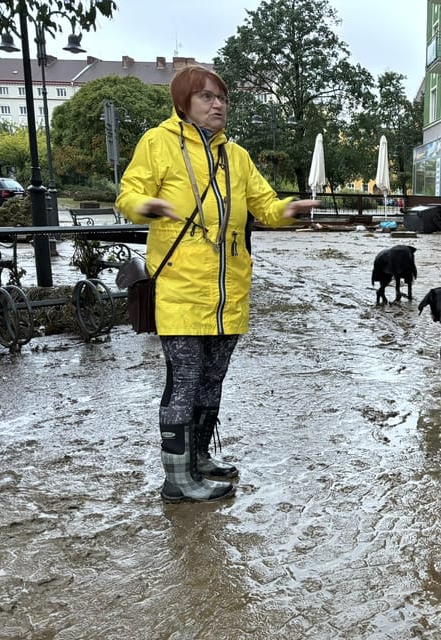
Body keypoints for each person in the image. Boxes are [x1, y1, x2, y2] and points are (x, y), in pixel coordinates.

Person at [116, 65, 320, 503]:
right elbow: (127, 195)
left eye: (222, 98)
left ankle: (200, 459)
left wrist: (291, 209)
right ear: (183, 103)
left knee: (212, 380)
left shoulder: (237, 157)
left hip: (230, 292)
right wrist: (145, 205)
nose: (218, 105)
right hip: (179, 288)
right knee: (185, 379)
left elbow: (264, 206)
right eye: (207, 97)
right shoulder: (158, 144)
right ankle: (177, 478)